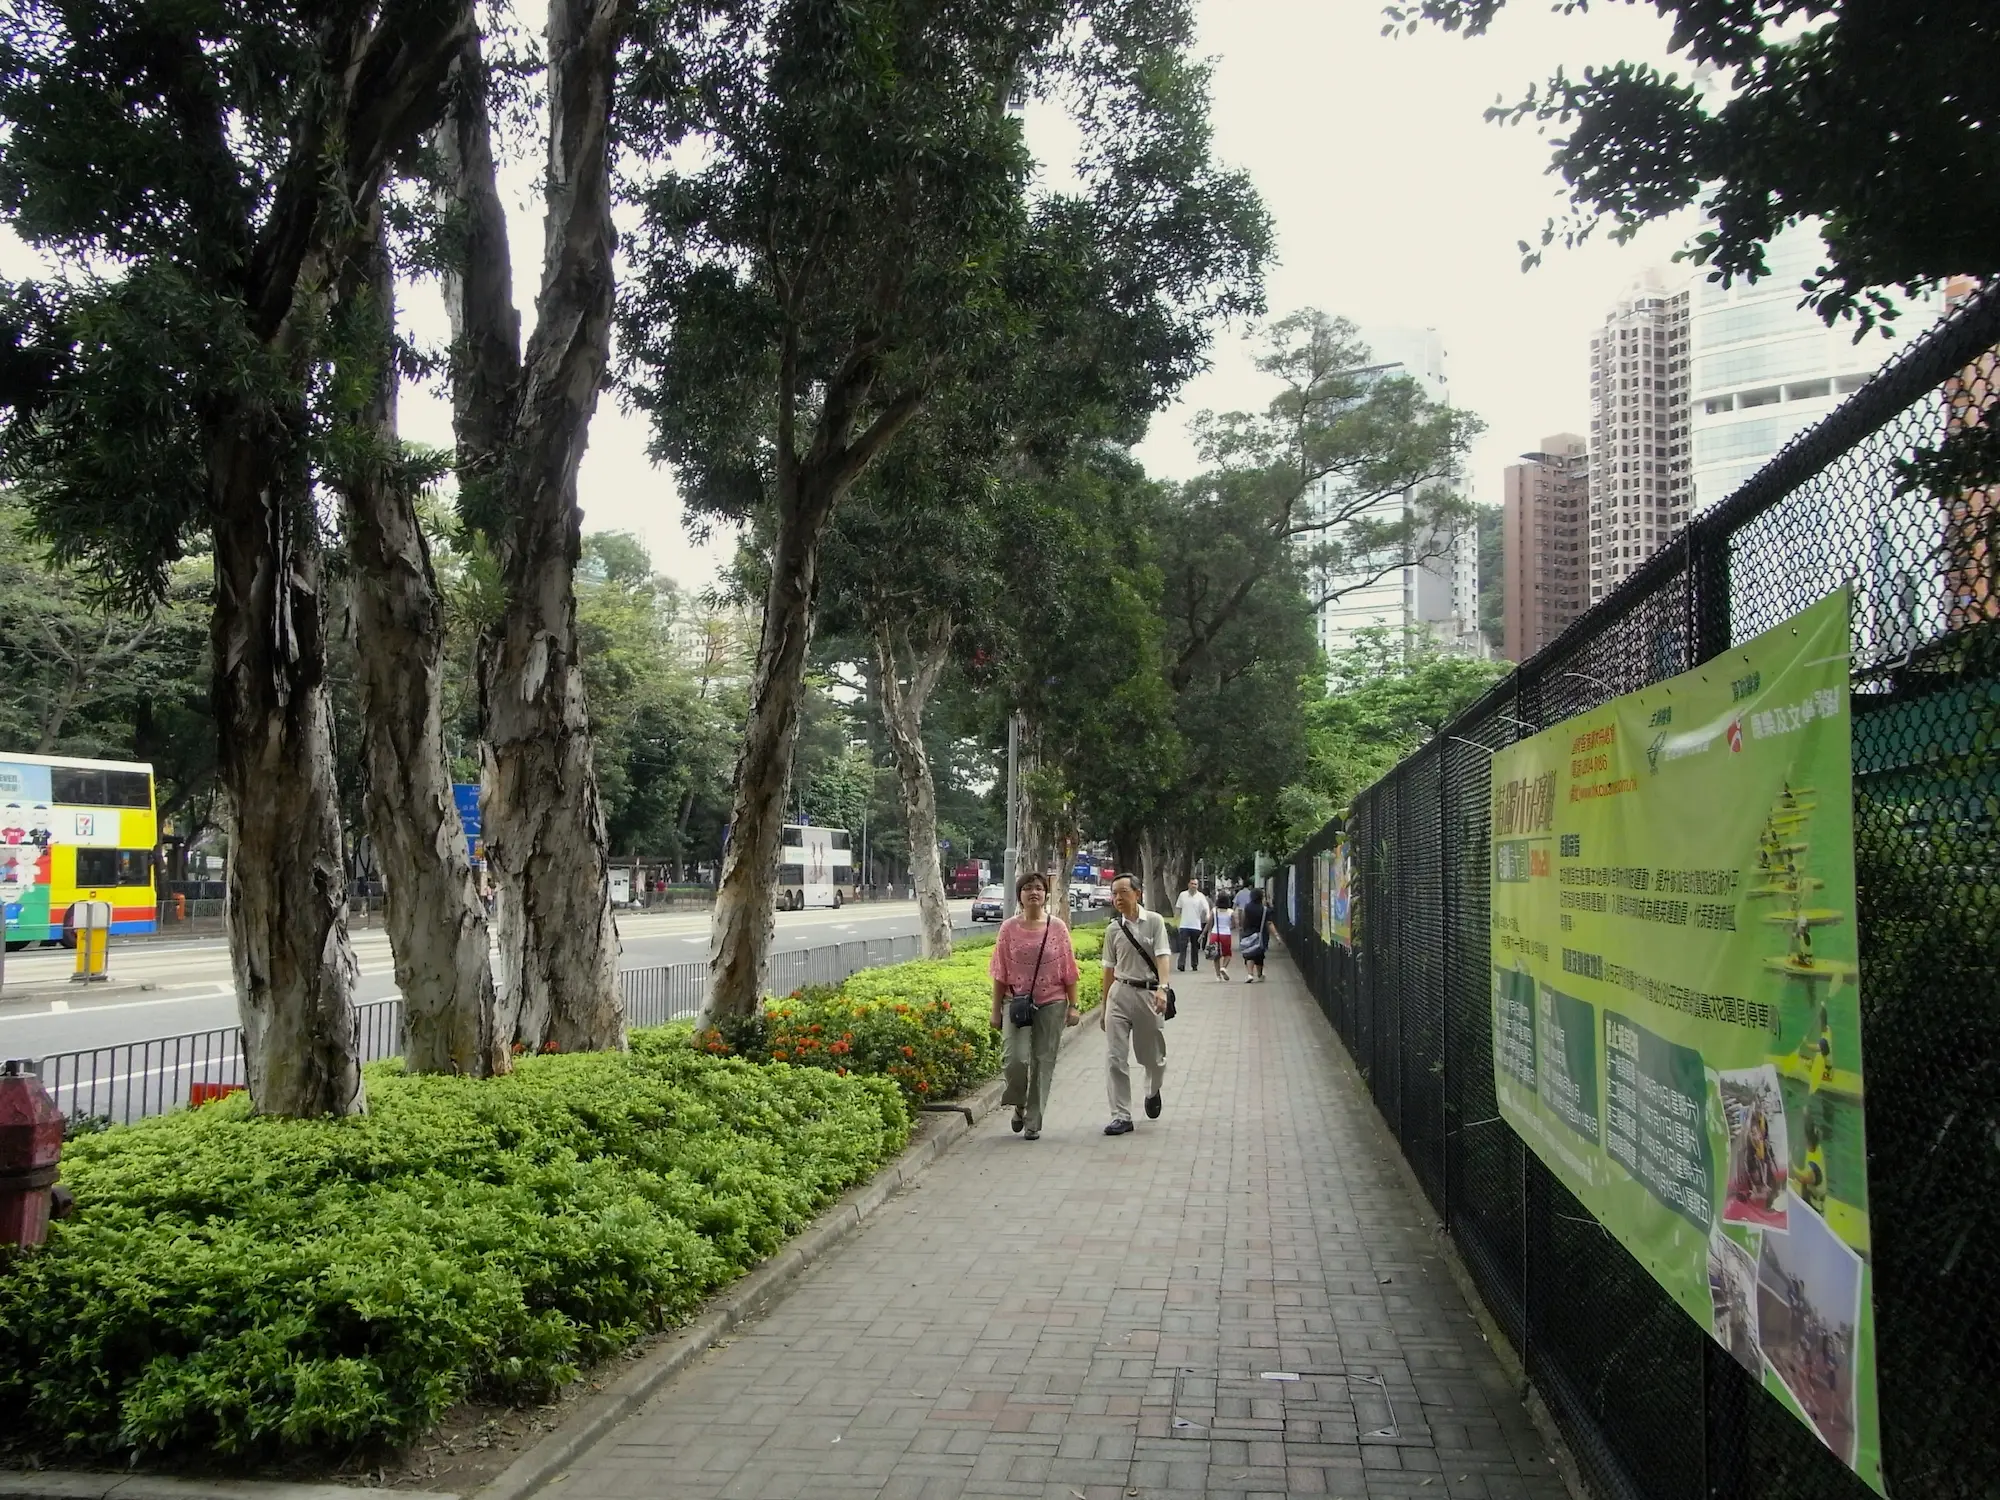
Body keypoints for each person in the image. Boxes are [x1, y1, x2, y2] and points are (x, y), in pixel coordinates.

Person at [987, 872, 1081, 1140]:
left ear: (1045, 895)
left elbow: (1069, 971)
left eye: (1039, 888)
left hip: (1052, 1002)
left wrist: (1074, 1006)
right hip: (1015, 1002)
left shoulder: (1058, 928)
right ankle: (1019, 1103)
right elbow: (999, 972)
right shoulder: (1008, 929)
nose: (1033, 893)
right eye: (1027, 888)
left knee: (1043, 1061)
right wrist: (995, 1010)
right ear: (1020, 895)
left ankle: (1033, 1121)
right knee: (1014, 1060)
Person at [1100, 874, 1172, 1136]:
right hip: (1119, 994)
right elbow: (1108, 970)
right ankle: (1121, 1115)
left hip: (1149, 995)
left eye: (1123, 892)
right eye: (1114, 894)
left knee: (1152, 1058)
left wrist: (1163, 988)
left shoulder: (1154, 921)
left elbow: (1163, 956)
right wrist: (1104, 1005)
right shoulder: (1112, 930)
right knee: (1115, 1057)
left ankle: (1152, 1091)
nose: (1118, 898)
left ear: (1137, 894)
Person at [1172, 877, 1210, 972]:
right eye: (1192, 884)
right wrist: (1175, 920)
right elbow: (1178, 908)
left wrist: (1207, 916)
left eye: (1195, 884)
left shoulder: (1201, 896)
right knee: (1183, 946)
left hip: (1196, 925)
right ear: (1189, 885)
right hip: (1184, 925)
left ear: (1198, 886)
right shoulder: (1183, 895)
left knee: (1195, 947)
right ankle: (1181, 964)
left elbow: (1206, 908)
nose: (1193, 886)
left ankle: (1194, 964)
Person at [1239, 890, 1273, 981]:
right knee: (1259, 955)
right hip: (1261, 935)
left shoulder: (1247, 907)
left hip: (1248, 933)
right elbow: (1269, 923)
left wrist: (1242, 928)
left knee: (1249, 954)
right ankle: (1260, 974)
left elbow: (1243, 918)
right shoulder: (1264, 909)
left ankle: (1250, 974)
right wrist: (1276, 936)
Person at [1208, 898, 1234, 980]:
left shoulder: (1214, 910)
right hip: (1226, 934)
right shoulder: (1230, 912)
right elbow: (1235, 924)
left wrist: (1204, 934)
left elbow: (1209, 923)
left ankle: (1218, 976)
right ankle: (1223, 967)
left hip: (1215, 933)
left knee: (1216, 955)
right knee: (1228, 954)